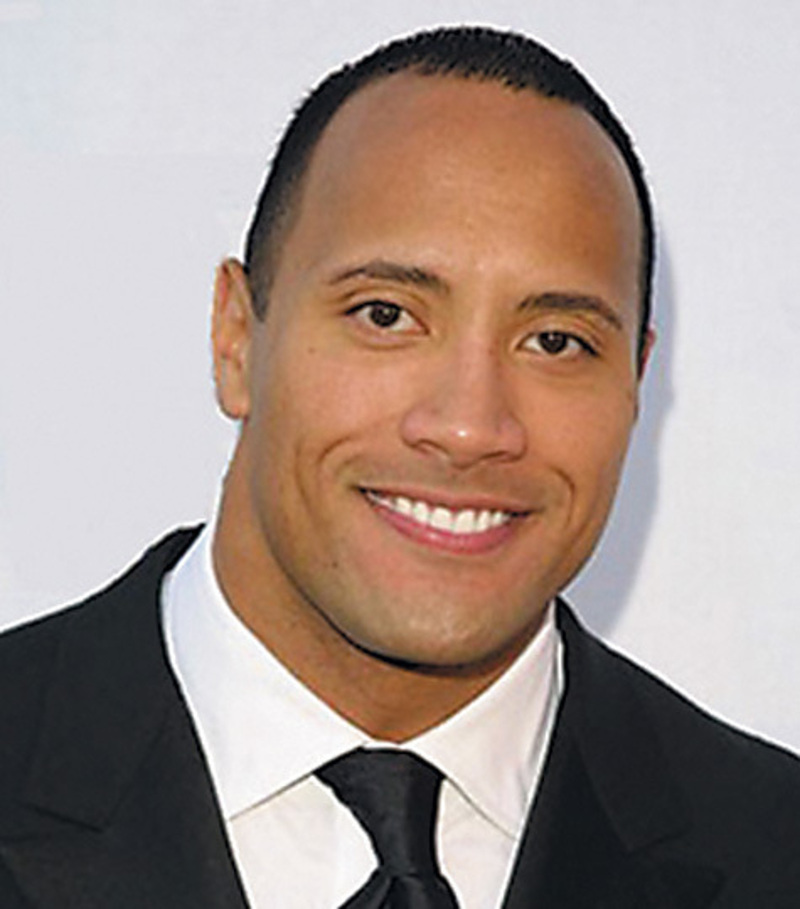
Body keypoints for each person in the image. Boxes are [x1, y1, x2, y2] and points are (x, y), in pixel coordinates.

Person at [0, 25, 798, 909]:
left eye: (555, 340)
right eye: (386, 314)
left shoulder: (774, 848)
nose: (468, 426)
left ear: (636, 383)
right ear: (236, 337)